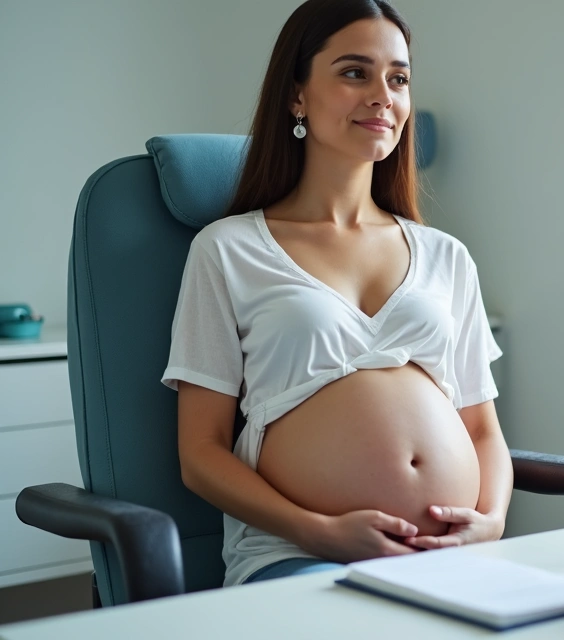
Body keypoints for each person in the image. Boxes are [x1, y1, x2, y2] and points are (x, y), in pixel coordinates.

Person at [161, 0, 512, 587]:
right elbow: (202, 452)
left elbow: (482, 431)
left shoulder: (446, 256)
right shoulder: (227, 250)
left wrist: (492, 522)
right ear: (297, 94)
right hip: (297, 555)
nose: (383, 95)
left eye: (397, 78)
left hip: (451, 558)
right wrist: (316, 531)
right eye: (355, 72)